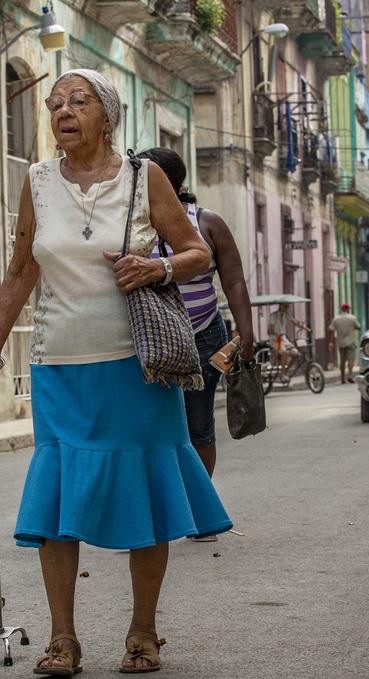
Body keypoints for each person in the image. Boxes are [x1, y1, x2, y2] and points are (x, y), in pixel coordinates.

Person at [0, 69, 232, 679]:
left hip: (138, 364)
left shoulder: (145, 178)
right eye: (55, 104)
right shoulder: (36, 180)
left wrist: (157, 270)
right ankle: (63, 638)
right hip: (60, 363)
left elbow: (197, 252)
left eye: (77, 102)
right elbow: (20, 270)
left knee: (145, 490)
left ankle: (143, 630)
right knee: (60, 502)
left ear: (106, 115)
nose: (63, 111)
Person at [137, 147, 254, 544]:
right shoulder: (132, 224)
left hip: (205, 335)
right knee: (148, 428)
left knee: (198, 425)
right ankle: (151, 518)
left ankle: (199, 514)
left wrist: (246, 333)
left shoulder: (208, 223)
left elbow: (234, 281)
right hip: (151, 336)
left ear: (172, 183)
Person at [268, 303, 306, 376]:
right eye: (285, 306)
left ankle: (285, 371)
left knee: (296, 354)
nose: (286, 308)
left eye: (287, 307)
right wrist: (277, 334)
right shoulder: (273, 316)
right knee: (285, 352)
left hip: (284, 339)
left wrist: (307, 329)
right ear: (280, 306)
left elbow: (295, 322)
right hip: (276, 340)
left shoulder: (286, 316)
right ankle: (282, 375)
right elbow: (271, 329)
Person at [329, 304, 362, 383]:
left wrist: (331, 342)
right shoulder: (352, 318)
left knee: (342, 360)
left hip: (341, 342)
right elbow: (359, 327)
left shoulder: (336, 319)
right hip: (351, 342)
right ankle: (350, 375)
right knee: (351, 359)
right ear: (348, 309)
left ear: (341, 309)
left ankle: (342, 378)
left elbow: (331, 330)